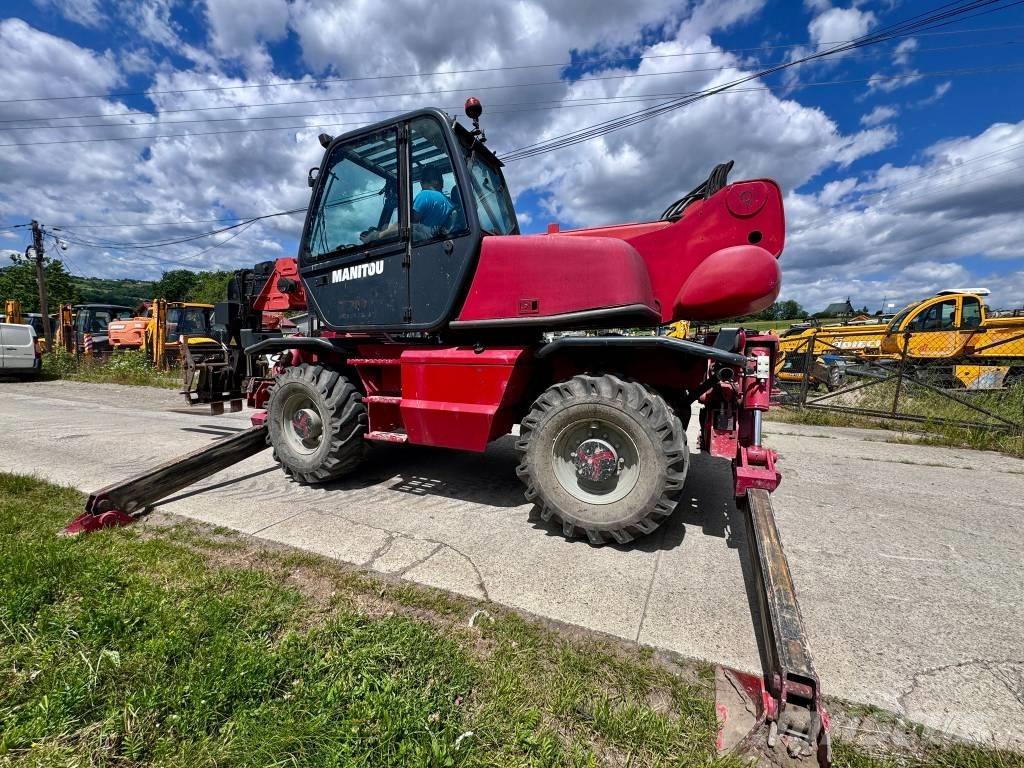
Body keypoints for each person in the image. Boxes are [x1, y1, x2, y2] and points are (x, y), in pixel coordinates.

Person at [361, 166, 454, 243]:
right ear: (441, 182)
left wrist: (377, 235)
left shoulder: (425, 195)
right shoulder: (450, 203)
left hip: (422, 245)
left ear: (422, 182)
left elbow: (406, 224)